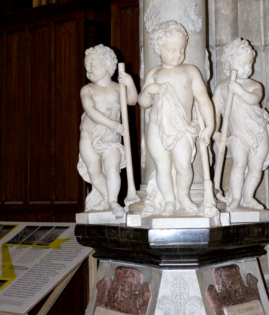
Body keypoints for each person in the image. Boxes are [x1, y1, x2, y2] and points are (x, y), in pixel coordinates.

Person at [138, 21, 214, 215]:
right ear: (158, 48)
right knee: (162, 165)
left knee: (183, 164)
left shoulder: (190, 71)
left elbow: (203, 100)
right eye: (171, 49)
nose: (177, 54)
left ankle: (183, 195)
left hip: (182, 128)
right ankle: (169, 201)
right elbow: (143, 102)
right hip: (157, 127)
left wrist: (209, 126)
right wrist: (149, 90)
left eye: (181, 49)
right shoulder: (153, 73)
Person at [213, 38, 269, 211]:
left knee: (256, 167)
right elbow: (214, 113)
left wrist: (240, 91)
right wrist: (215, 132)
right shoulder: (222, 88)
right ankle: (236, 197)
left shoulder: (254, 85)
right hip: (237, 135)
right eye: (242, 65)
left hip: (258, 130)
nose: (247, 69)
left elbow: (254, 99)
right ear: (229, 64)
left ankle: (248, 197)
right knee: (239, 163)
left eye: (250, 64)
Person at [77, 44, 137, 215]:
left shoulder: (117, 88)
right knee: (93, 170)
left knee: (112, 165)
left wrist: (130, 83)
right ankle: (107, 198)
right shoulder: (87, 89)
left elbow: (132, 101)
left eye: (92, 64)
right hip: (89, 136)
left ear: (107, 64)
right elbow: (91, 111)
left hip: (111, 138)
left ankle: (112, 201)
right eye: (86, 66)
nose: (88, 69)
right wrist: (113, 124)